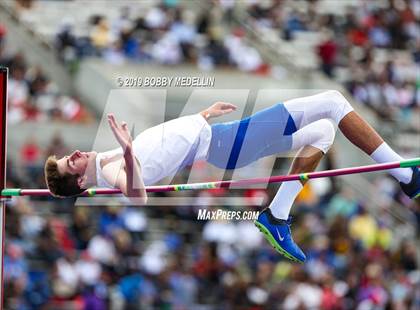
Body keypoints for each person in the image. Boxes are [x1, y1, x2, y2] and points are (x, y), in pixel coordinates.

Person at [44, 91, 419, 263]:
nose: (74, 155)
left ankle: (277, 215)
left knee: (322, 134)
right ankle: (404, 174)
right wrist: (126, 151)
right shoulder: (110, 170)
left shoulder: (105, 159)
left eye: (66, 155)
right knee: (333, 103)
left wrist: (201, 115)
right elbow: (137, 195)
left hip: (222, 139)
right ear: (80, 183)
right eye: (69, 163)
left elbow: (171, 141)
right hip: (229, 144)